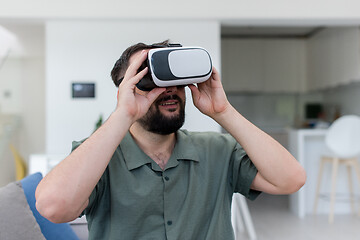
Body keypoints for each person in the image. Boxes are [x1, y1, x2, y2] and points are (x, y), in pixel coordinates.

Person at [35, 40, 306, 240]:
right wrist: (124, 114)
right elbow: (52, 208)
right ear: (126, 89)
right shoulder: (98, 158)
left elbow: (291, 179)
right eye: (151, 80)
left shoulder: (217, 150)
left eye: (176, 79)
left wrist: (223, 112)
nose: (168, 91)